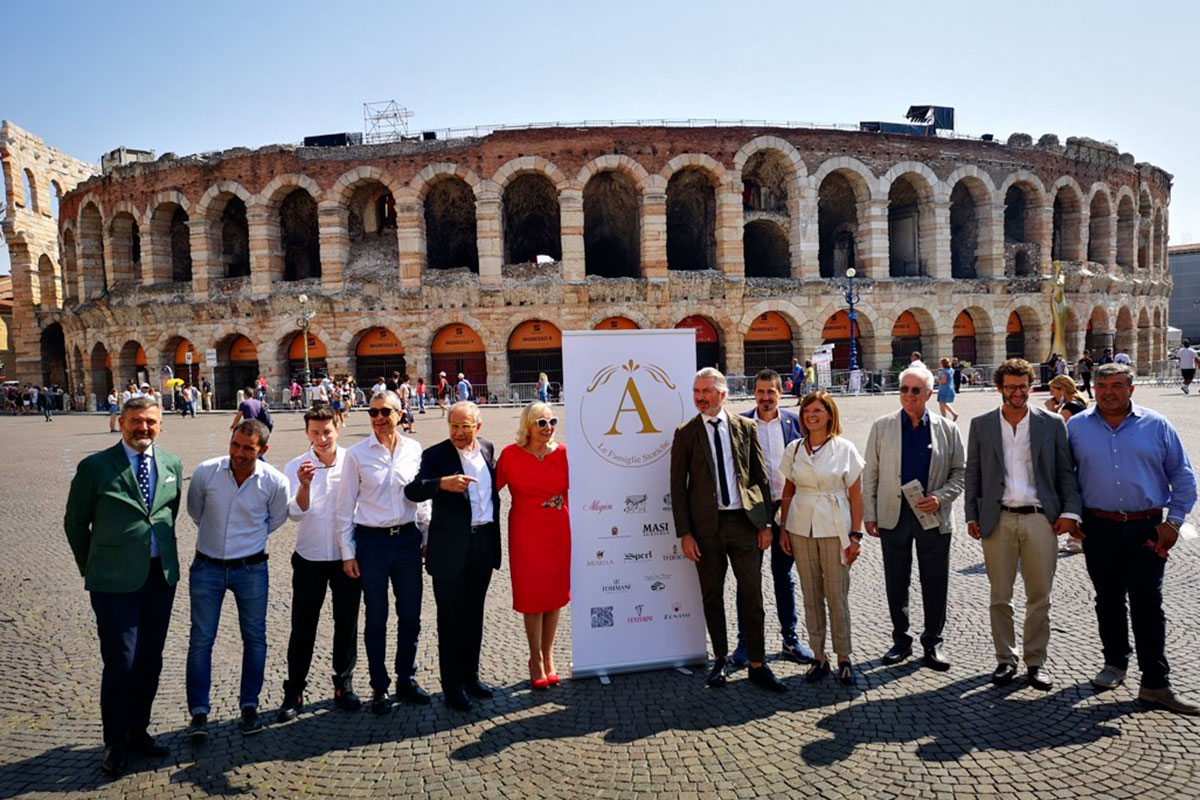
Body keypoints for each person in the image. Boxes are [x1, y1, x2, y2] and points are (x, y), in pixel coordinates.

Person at [1068, 363, 1198, 714]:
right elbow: (1066, 478)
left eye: (1117, 385)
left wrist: (1173, 523)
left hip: (1146, 528)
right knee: (1107, 600)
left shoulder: (1157, 425)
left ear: (1131, 388)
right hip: (1099, 526)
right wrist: (1072, 516)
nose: (1109, 391)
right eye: (1102, 385)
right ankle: (1115, 664)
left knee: (1147, 604)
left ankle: (1156, 682)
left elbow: (1183, 477)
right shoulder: (1076, 427)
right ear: (1093, 388)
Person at [64, 396, 182, 777]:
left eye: (149, 422)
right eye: (135, 421)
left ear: (160, 424)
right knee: (122, 661)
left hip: (158, 577)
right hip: (113, 581)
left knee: (151, 659)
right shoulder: (96, 467)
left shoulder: (172, 464)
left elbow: (168, 514)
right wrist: (93, 567)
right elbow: (75, 523)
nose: (142, 428)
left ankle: (138, 731)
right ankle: (114, 741)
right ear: (120, 422)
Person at [964, 359, 1081, 691]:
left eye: (1023, 386)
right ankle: (1005, 658)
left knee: (1039, 595)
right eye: (1010, 387)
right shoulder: (982, 424)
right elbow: (974, 474)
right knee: (1000, 595)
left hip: (1040, 519)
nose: (1017, 393)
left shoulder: (1052, 423)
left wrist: (1070, 513)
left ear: (1031, 386)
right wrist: (972, 515)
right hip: (998, 518)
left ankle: (1036, 661)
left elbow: (1065, 473)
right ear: (999, 388)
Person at [670, 368, 786, 693]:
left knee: (752, 595)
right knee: (712, 597)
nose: (700, 397)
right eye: (696, 391)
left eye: (706, 391)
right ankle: (720, 658)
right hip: (706, 529)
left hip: (745, 524)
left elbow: (760, 478)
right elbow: (677, 489)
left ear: (723, 394)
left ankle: (758, 664)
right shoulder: (686, 433)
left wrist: (764, 523)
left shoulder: (746, 428)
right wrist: (685, 533)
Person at [184, 420, 289, 740]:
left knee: (255, 638)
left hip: (251, 569)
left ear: (263, 450)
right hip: (207, 567)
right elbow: (195, 512)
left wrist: (247, 540)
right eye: (235, 445)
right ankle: (199, 713)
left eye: (248, 448)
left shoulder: (275, 482)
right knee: (201, 640)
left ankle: (250, 706)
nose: (239, 453)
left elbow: (276, 519)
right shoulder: (206, 472)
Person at [863, 365, 965, 671]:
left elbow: (961, 472)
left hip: (931, 515)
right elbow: (871, 474)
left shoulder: (948, 429)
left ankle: (933, 642)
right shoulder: (882, 426)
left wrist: (941, 498)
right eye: (904, 389)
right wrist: (870, 514)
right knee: (897, 579)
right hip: (894, 515)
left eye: (916, 390)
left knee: (935, 580)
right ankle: (901, 639)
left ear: (930, 394)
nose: (909, 395)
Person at [336, 390, 431, 715]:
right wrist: (347, 552)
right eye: (373, 413)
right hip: (371, 543)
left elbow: (421, 497)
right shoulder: (357, 454)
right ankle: (380, 687)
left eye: (385, 412)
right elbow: (345, 505)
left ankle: (407, 677)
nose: (378, 419)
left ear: (400, 413)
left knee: (410, 616)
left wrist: (426, 536)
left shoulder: (414, 450)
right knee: (376, 618)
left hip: (406, 540)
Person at [404, 401, 501, 710]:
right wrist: (440, 484)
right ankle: (453, 686)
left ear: (478, 428)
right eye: (454, 426)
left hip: (483, 544)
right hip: (449, 550)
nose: (459, 433)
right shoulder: (436, 455)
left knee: (474, 615)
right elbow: (413, 490)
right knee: (451, 619)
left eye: (465, 427)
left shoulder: (487, 449)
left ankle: (471, 676)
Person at [276, 405, 363, 723]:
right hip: (310, 556)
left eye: (327, 431)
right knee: (302, 625)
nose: (322, 438)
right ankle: (294, 689)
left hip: (346, 557)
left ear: (337, 428)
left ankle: (344, 683)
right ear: (306, 433)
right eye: (315, 432)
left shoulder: (353, 462)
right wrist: (304, 486)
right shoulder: (296, 465)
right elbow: (294, 514)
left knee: (347, 623)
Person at [779, 391, 865, 686]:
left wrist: (856, 535)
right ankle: (819, 656)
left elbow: (856, 496)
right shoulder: (794, 449)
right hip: (801, 528)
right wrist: (783, 529)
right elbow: (787, 491)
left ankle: (844, 657)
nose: (811, 415)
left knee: (837, 595)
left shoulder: (845, 449)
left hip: (835, 529)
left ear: (830, 414)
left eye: (817, 410)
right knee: (811, 595)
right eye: (806, 411)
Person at [731, 369, 814, 667]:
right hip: (750, 512)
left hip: (786, 508)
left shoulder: (794, 423)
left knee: (784, 577)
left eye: (771, 392)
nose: (766, 398)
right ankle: (745, 641)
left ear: (781, 393)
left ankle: (790, 638)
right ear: (754, 393)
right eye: (761, 392)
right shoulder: (739, 424)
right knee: (748, 579)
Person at [496, 402, 571, 690]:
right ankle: (535, 658)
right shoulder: (511, 455)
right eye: (541, 422)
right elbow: (487, 490)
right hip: (526, 532)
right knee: (533, 596)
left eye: (552, 421)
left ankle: (549, 655)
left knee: (554, 595)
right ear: (528, 425)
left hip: (558, 531)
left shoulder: (564, 454)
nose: (548, 427)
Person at [936, 357, 958, 421]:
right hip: (948, 389)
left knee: (942, 405)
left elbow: (943, 381)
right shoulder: (950, 370)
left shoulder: (945, 372)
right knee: (944, 404)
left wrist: (937, 379)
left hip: (944, 390)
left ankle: (944, 418)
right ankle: (954, 414)